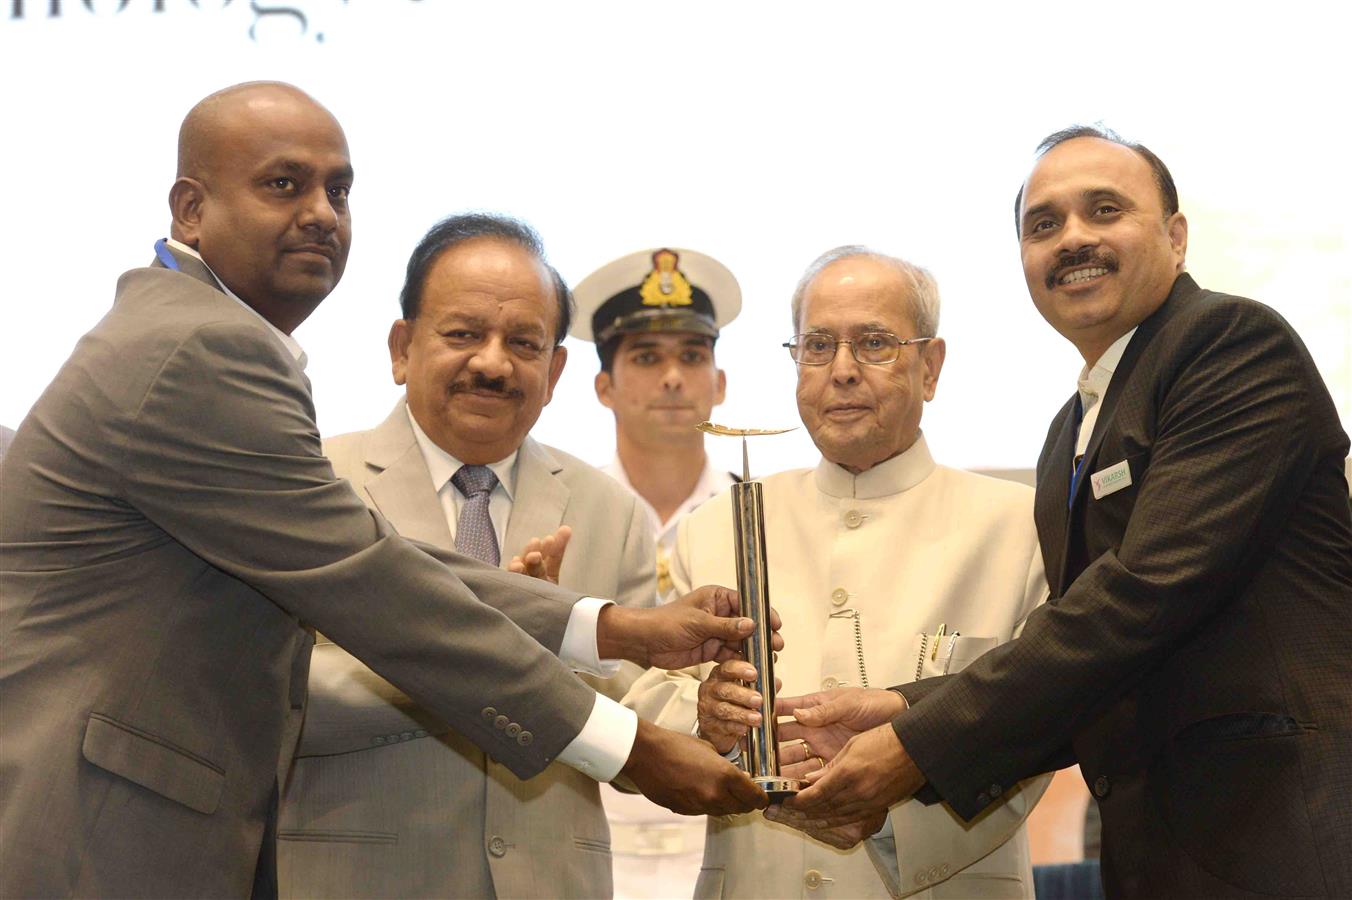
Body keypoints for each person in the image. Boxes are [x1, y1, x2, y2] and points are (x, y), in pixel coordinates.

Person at [0, 82, 772, 899]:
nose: (322, 214)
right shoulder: (201, 347)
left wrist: (618, 629)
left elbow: (387, 560)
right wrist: (630, 747)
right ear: (190, 208)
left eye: (339, 190)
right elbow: (376, 586)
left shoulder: (199, 332)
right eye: (282, 184)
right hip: (103, 839)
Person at [767, 126, 1352, 899]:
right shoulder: (1066, 437)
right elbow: (1086, 660)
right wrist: (899, 708)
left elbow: (1138, 600)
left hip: (1283, 838)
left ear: (1176, 237)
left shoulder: (1230, 345)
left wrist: (911, 743)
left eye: (1104, 210)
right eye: (1043, 224)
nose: (1072, 238)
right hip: (1165, 856)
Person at [632, 247, 1050, 898]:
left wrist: (885, 815)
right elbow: (650, 698)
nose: (843, 371)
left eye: (875, 343)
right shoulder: (714, 526)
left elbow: (1039, 727)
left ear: (931, 366)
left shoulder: (1020, 527)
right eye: (818, 346)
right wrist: (704, 723)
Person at [277, 213, 657, 899]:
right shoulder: (310, 485)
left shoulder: (615, 513)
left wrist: (562, 653)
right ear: (402, 347)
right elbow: (275, 697)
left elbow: (640, 732)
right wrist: (507, 649)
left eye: (523, 342)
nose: (492, 362)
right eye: (462, 334)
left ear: (555, 369)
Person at [570, 248, 742, 896]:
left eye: (692, 356)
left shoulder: (763, 519)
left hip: (733, 824)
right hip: (586, 817)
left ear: (719, 382)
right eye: (646, 357)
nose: (673, 377)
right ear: (603, 386)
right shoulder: (563, 516)